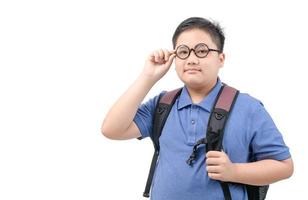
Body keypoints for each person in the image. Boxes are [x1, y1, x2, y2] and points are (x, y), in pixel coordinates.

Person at [101, 17, 293, 199]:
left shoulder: (248, 108)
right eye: (183, 52)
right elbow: (112, 129)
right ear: (174, 58)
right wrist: (148, 77)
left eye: (202, 51)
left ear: (221, 58)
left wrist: (234, 171)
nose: (192, 59)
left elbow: (284, 166)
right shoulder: (162, 105)